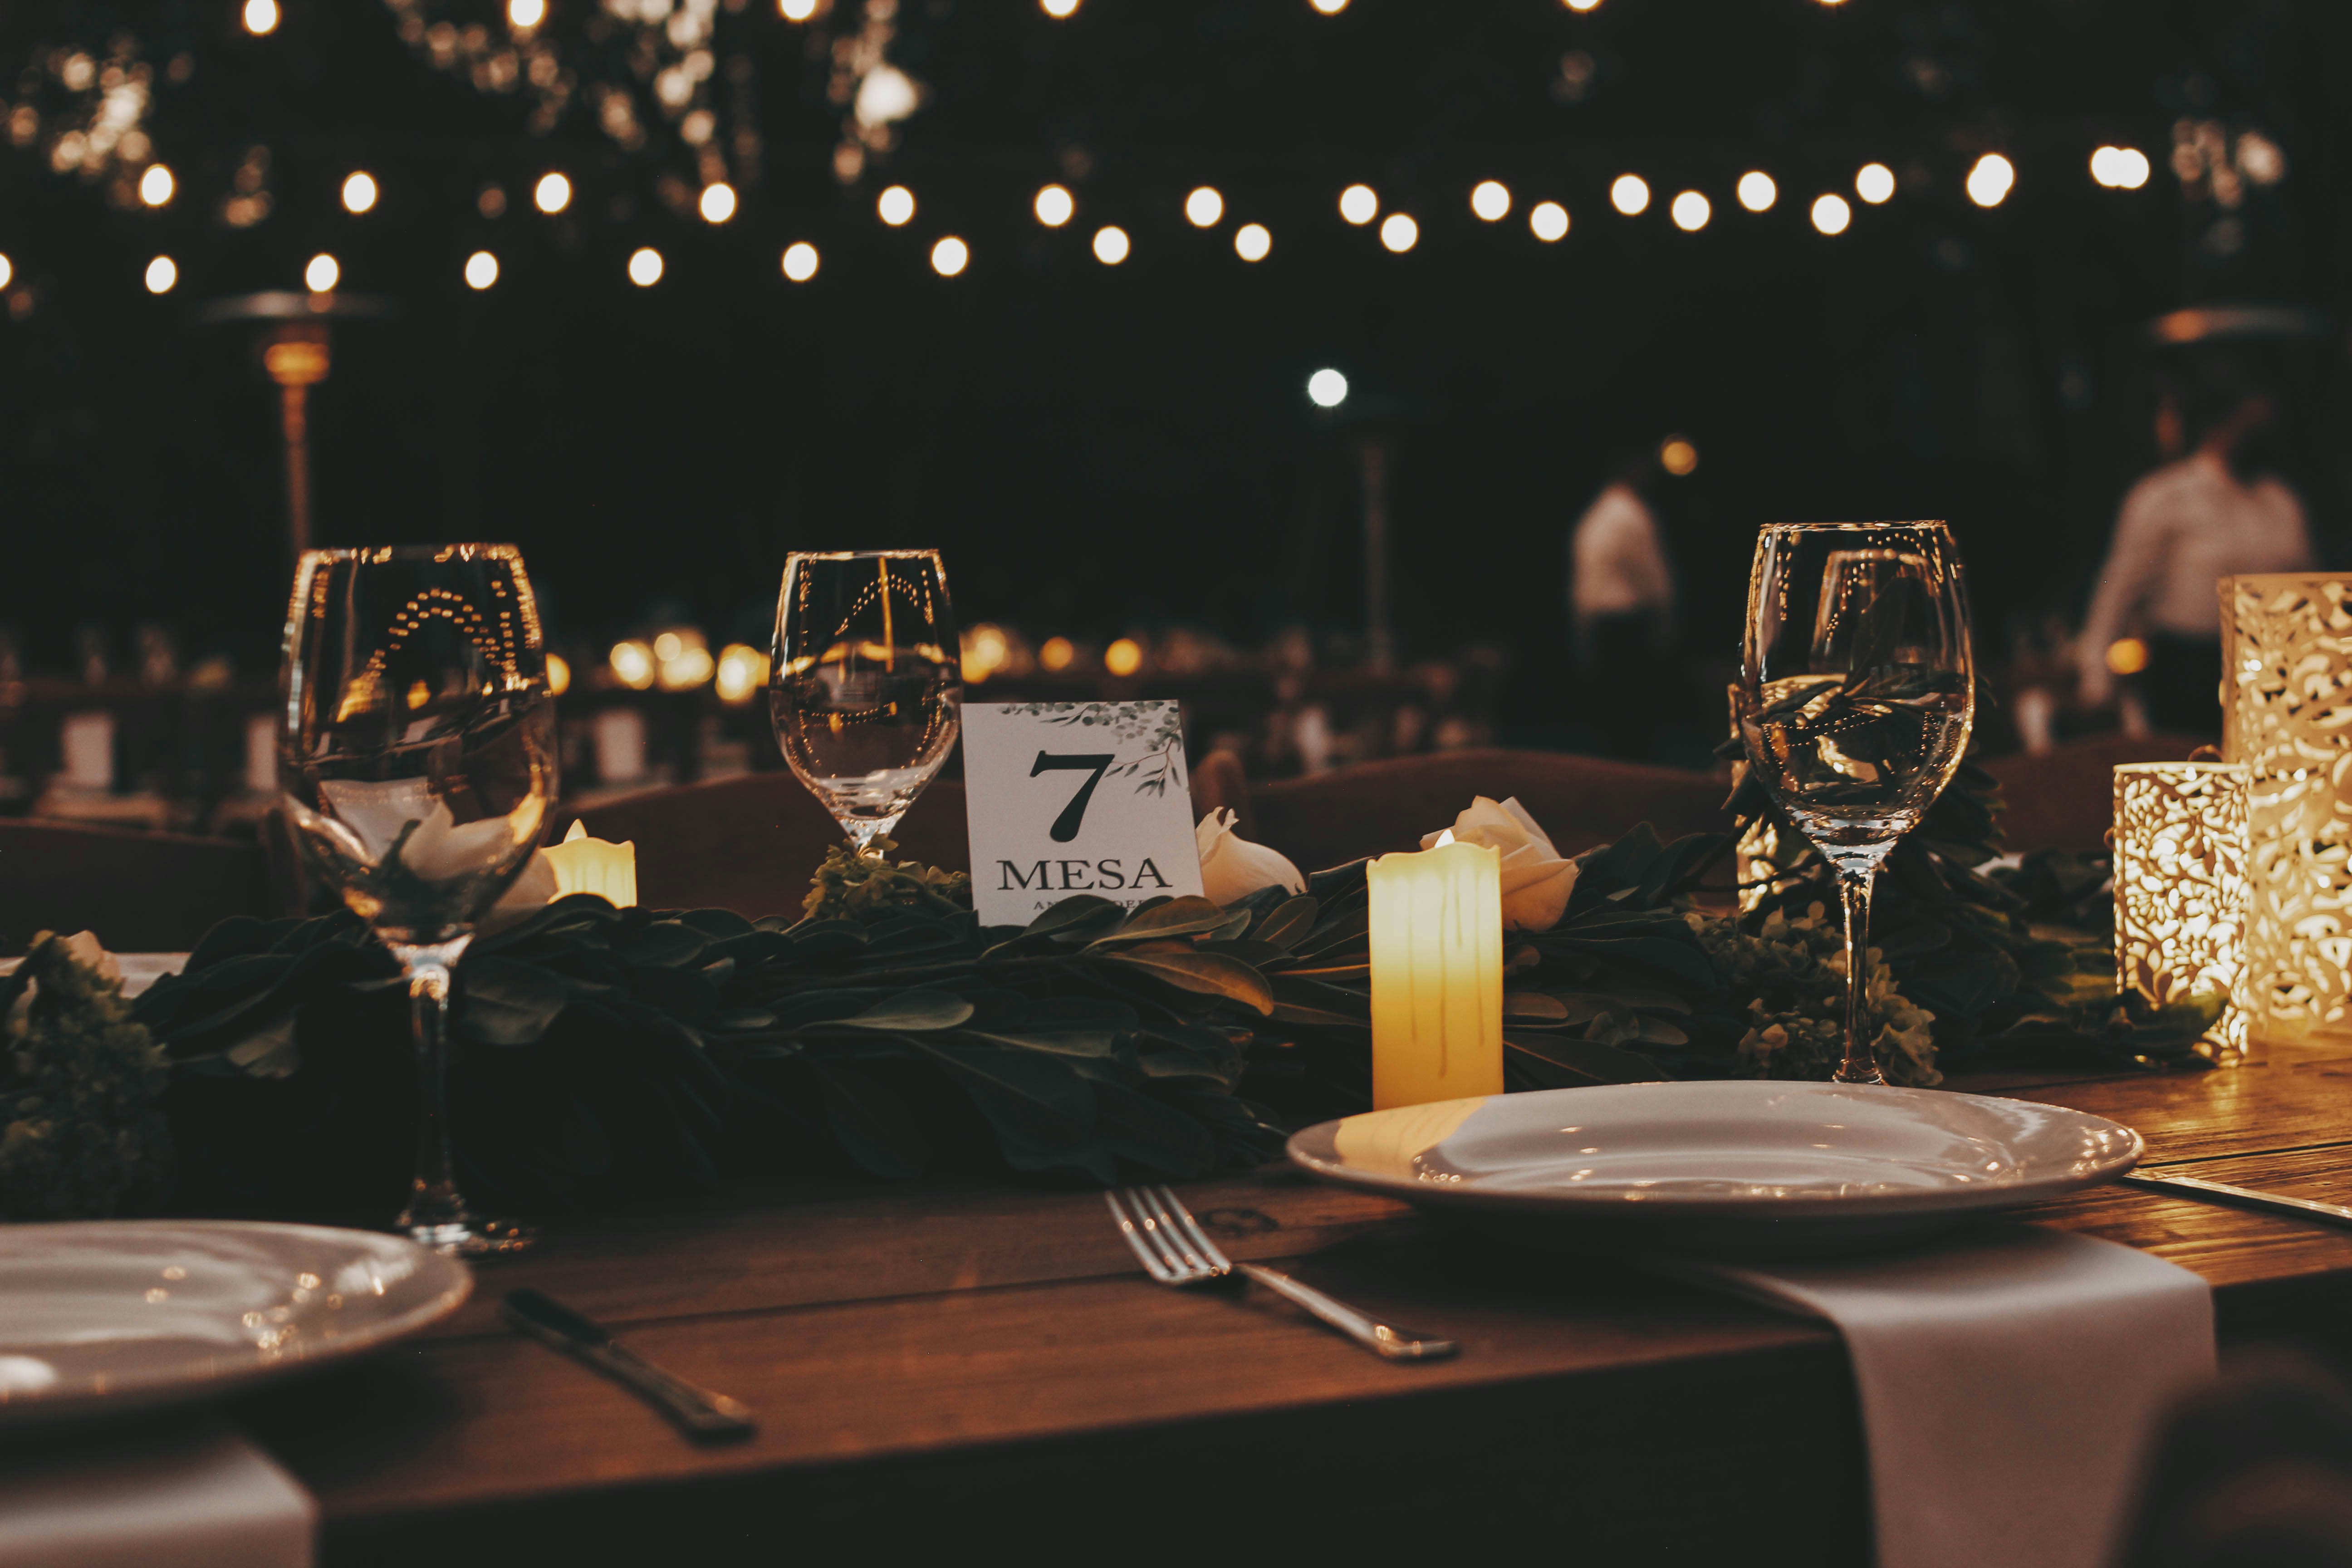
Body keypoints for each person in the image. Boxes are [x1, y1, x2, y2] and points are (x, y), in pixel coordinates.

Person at [2078, 372, 2313, 735]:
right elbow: (2118, 587)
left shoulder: (2280, 501)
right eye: (2249, 420)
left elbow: (2309, 589)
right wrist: (2096, 678)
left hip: (2273, 673)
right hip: (2189, 674)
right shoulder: (2165, 496)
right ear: (2222, 422)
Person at [1568, 453, 1677, 759]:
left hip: (1602, 624)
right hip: (1628, 626)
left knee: (1611, 713)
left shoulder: (1594, 516)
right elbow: (1652, 575)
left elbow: (1583, 584)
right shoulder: (1632, 515)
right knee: (1632, 716)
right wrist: (1666, 618)